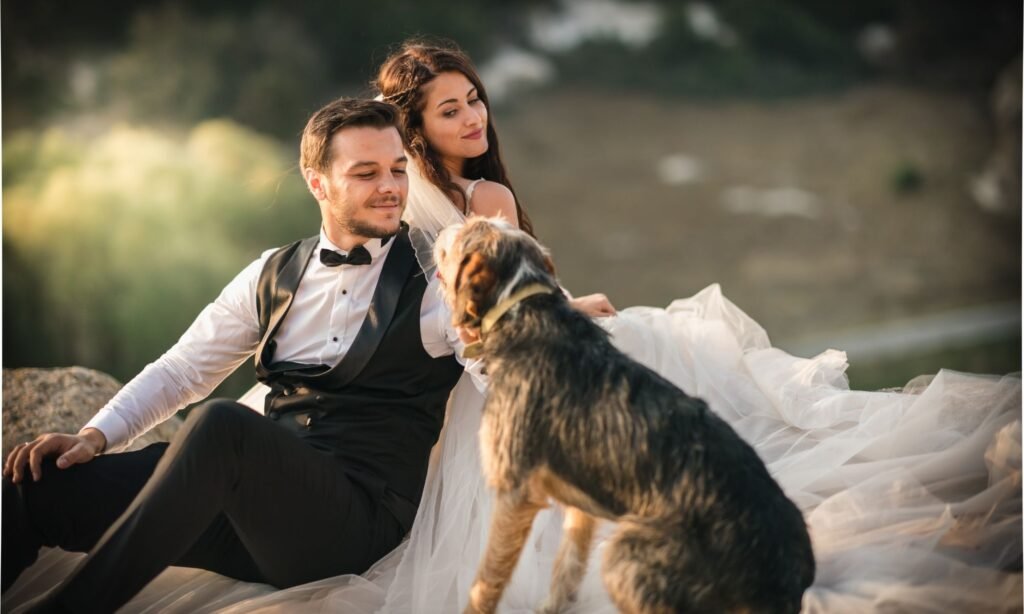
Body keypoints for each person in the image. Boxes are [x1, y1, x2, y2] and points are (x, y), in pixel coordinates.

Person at [215, 40, 1020, 613]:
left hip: (449, 366)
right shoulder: (483, 202)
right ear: (414, 129)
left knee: (639, 341)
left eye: (474, 99)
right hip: (498, 366)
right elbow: (489, 307)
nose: (474, 118)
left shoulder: (413, 200)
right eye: (449, 109)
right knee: (653, 344)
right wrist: (565, 307)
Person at [1, 98, 483, 612]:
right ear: (317, 183)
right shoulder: (270, 273)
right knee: (39, 486)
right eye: (366, 173)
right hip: (250, 518)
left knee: (222, 425)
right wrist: (94, 435)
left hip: (350, 529)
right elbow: (182, 369)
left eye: (397, 170)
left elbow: (499, 363)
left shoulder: (442, 280)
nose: (390, 188)